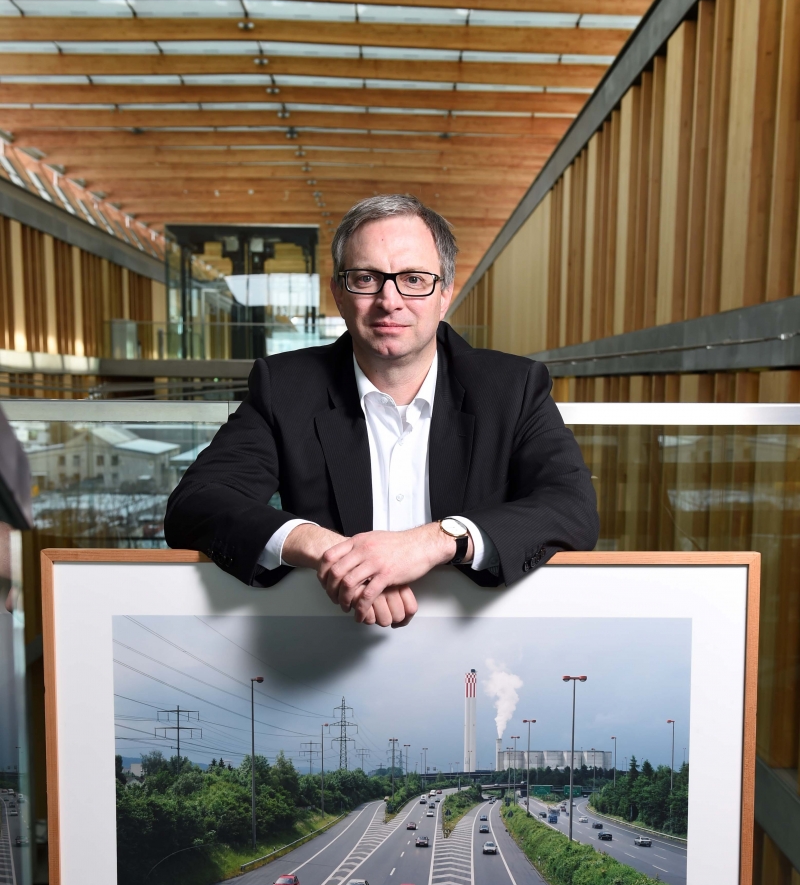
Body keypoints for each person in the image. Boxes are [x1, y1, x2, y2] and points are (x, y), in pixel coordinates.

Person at [164, 194, 598, 628]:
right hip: (328, 636)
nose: (389, 300)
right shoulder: (287, 387)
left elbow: (571, 507)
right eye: (366, 277)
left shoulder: (511, 387)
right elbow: (197, 504)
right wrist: (327, 549)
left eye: (413, 279)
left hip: (478, 642)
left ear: (444, 293)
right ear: (338, 292)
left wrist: (435, 541)